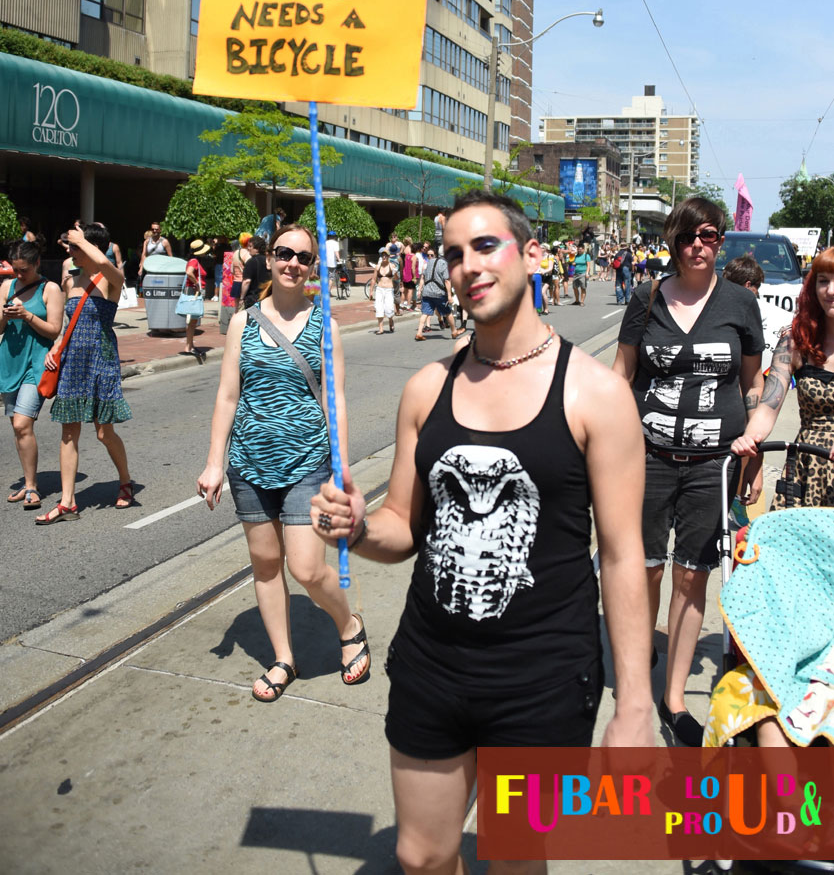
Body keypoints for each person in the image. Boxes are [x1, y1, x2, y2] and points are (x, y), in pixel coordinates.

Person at [311, 190, 654, 875]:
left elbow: (620, 557)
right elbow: (401, 528)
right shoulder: (426, 388)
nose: (467, 265)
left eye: (485, 245)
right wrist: (353, 527)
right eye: (453, 254)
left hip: (544, 673)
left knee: (513, 856)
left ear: (531, 255)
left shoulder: (595, 394)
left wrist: (635, 703)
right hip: (432, 662)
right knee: (421, 854)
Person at [612, 197, 764, 746]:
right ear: (673, 241)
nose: (699, 245)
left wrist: (754, 452)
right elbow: (621, 374)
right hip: (647, 459)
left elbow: (751, 384)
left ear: (721, 241)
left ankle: (673, 699)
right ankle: (635, 675)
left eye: (710, 235)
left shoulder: (739, 305)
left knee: (691, 576)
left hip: (712, 465)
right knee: (646, 569)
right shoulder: (645, 297)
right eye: (688, 236)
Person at [196, 223, 368, 702]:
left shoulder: (325, 325)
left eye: (303, 258)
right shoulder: (243, 322)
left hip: (307, 461)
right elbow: (228, 395)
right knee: (267, 564)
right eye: (284, 253)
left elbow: (335, 402)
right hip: (249, 463)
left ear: (314, 268)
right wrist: (214, 462)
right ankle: (283, 658)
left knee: (308, 569)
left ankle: (348, 624)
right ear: (269, 258)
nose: (292, 262)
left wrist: (344, 472)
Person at [36, 222, 134, 523]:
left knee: (104, 432)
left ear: (92, 247)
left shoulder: (111, 278)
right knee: (68, 431)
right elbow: (67, 323)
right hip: (73, 361)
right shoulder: (70, 280)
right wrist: (56, 348)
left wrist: (84, 241)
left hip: (101, 360)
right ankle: (67, 503)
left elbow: (105, 261)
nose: (70, 251)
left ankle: (125, 481)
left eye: (75, 246)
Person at [731, 246, 834, 511]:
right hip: (808, 468)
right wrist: (749, 439)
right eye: (824, 281)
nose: (831, 291)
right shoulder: (796, 341)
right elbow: (767, 407)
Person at [0, 241, 64, 510]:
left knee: (21, 424)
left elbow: (53, 330)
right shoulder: (6, 287)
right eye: (15, 270)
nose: (19, 276)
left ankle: (33, 489)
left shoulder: (50, 289)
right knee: (18, 425)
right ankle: (28, 483)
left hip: (36, 364)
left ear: (37, 264)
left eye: (24, 270)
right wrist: (5, 316)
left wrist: (26, 315)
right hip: (9, 361)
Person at [415, 245, 464, 341]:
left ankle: (419, 333)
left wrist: (420, 290)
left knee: (425, 313)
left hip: (427, 292)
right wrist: (449, 295)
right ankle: (454, 331)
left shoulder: (430, 262)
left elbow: (423, 277)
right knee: (448, 312)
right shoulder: (444, 264)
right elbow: (447, 280)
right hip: (439, 293)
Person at [183, 239, 211, 360]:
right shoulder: (194, 261)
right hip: (193, 292)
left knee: (192, 321)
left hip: (192, 291)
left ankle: (190, 345)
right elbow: (189, 273)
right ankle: (188, 346)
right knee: (192, 320)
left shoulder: (193, 260)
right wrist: (197, 283)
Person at [369, 249, 397, 335]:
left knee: (389, 308)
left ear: (388, 257)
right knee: (379, 307)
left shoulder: (392, 266)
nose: (384, 257)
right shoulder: (378, 266)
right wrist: (371, 291)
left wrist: (395, 274)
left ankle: (391, 320)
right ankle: (380, 328)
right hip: (380, 289)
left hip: (389, 289)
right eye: (382, 255)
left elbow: (396, 279)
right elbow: (373, 279)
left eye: (386, 255)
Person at [240, 235, 269, 309]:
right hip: (267, 297)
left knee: (253, 319)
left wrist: (242, 297)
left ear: (257, 248)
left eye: (250, 246)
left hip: (253, 298)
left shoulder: (251, 262)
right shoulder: (269, 260)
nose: (248, 248)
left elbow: (247, 281)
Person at [230, 232, 252, 311]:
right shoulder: (248, 254)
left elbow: (232, 270)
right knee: (245, 310)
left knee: (236, 309)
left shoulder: (236, 253)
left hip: (236, 283)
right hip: (244, 283)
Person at [400, 237, 420, 311]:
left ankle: (401, 304)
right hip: (410, 276)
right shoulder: (414, 257)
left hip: (405, 275)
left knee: (404, 291)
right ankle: (408, 305)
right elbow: (413, 268)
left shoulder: (407, 255)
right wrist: (414, 277)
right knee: (410, 291)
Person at [325, 230, 340, 297]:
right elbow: (336, 252)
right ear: (334, 237)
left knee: (325, 277)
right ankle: (328, 292)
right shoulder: (335, 243)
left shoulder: (325, 243)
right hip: (332, 263)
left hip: (324, 263)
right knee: (331, 277)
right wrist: (339, 259)